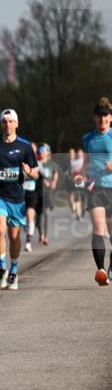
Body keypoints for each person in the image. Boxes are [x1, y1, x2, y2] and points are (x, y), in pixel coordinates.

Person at [0, 109, 39, 290]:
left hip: (17, 197)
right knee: (0, 229)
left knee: (14, 236)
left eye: (11, 121)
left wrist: (29, 172)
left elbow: (35, 173)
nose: (8, 125)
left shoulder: (25, 146)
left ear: (17, 124)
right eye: (5, 121)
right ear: (1, 124)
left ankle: (14, 269)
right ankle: (2, 266)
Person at [77, 98, 112, 285]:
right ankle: (101, 271)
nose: (102, 119)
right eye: (99, 115)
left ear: (111, 118)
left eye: (105, 115)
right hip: (95, 187)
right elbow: (87, 162)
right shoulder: (87, 138)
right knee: (98, 228)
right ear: (94, 118)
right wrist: (81, 175)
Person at [37, 143, 59, 246]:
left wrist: (53, 182)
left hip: (48, 192)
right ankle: (40, 234)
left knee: (46, 214)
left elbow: (55, 174)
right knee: (38, 216)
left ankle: (45, 236)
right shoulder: (36, 164)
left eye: (43, 150)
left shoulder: (51, 164)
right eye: (40, 150)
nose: (41, 153)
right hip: (37, 193)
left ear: (48, 152)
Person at [23, 142, 41, 252]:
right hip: (19, 193)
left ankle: (28, 242)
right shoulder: (20, 162)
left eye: (33, 150)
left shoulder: (37, 163)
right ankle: (27, 228)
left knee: (30, 216)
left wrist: (28, 171)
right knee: (22, 219)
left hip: (31, 192)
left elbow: (37, 175)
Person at [68, 146, 86, 220]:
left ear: (83, 154)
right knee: (77, 197)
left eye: (80, 153)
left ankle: (82, 209)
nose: (79, 154)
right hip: (75, 181)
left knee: (82, 198)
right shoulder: (73, 161)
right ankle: (78, 213)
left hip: (83, 181)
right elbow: (70, 172)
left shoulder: (85, 161)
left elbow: (87, 170)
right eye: (78, 153)